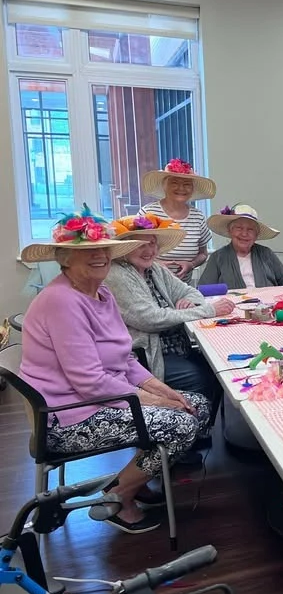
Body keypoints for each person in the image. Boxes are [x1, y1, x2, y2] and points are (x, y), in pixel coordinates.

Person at [18, 206, 211, 535]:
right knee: (179, 423)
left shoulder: (101, 293)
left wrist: (164, 392)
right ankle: (118, 496)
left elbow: (124, 359)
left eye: (103, 250)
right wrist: (155, 403)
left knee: (198, 405)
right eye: (88, 252)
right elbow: (90, 383)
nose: (99, 257)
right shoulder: (61, 301)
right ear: (64, 259)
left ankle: (133, 481)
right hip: (67, 415)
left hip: (95, 399)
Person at [104, 214, 234, 428]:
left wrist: (187, 301)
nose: (149, 250)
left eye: (153, 243)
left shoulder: (153, 269)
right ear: (125, 247)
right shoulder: (116, 274)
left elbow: (191, 292)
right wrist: (207, 311)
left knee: (221, 367)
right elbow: (149, 319)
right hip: (145, 357)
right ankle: (191, 433)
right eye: (141, 244)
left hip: (175, 348)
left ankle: (206, 430)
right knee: (202, 376)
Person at [139, 159, 216, 283]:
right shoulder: (148, 213)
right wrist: (157, 265)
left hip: (184, 289)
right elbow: (135, 252)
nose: (181, 188)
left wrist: (191, 264)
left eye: (187, 184)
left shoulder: (198, 217)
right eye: (174, 183)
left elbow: (203, 254)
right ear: (164, 185)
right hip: (150, 286)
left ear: (192, 189)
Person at [198, 204, 283, 290]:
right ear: (230, 231)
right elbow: (204, 290)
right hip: (232, 307)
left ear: (256, 235)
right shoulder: (218, 257)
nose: (244, 234)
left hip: (267, 306)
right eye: (239, 228)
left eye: (250, 229)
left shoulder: (266, 253)